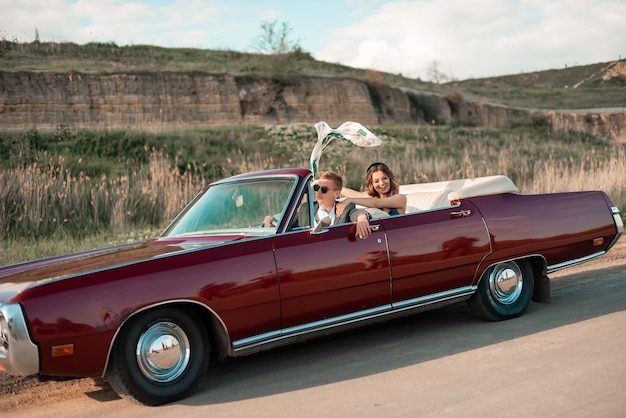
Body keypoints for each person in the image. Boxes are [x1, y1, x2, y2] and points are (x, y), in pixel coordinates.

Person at [313, 170, 372, 239]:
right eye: (317, 187)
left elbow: (355, 212)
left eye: (324, 189)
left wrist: (362, 218)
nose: (319, 192)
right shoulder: (305, 209)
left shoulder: (344, 208)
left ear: (337, 193)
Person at [341, 162, 407, 215]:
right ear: (372, 184)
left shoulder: (400, 198)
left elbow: (376, 203)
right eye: (376, 181)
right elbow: (355, 195)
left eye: (385, 178)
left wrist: (349, 200)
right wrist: (333, 187)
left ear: (390, 178)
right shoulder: (371, 197)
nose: (381, 183)